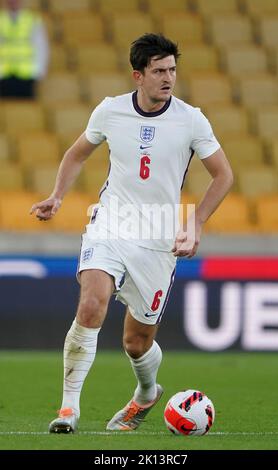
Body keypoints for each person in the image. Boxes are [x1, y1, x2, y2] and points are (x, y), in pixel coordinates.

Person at [30, 33, 233, 434]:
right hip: (110, 223)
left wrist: (196, 224)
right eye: (159, 71)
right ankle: (69, 409)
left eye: (172, 69)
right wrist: (56, 195)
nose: (168, 78)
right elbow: (77, 154)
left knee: (136, 343)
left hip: (158, 238)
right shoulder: (110, 111)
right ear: (137, 75)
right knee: (91, 303)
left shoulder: (191, 118)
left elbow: (223, 175)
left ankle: (146, 393)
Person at [0, 0, 49, 98]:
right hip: (4, 75)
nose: (13, 2)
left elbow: (41, 47)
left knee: (26, 110)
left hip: (26, 75)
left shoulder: (32, 20)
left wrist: (39, 71)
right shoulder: (1, 19)